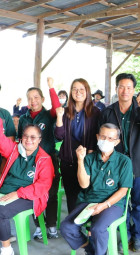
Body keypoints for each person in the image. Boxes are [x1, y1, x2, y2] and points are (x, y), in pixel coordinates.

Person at [60, 123, 133, 255]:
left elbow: (123, 191)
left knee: (98, 228)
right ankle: (91, 250)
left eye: (110, 138)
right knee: (67, 226)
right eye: (103, 137)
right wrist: (80, 160)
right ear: (97, 137)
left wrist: (104, 205)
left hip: (112, 203)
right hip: (88, 201)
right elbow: (84, 184)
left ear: (117, 142)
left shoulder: (124, 161)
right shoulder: (90, 158)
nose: (106, 140)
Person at [99, 73, 140, 252]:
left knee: (138, 201)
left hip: (137, 163)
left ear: (133, 90)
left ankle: (138, 236)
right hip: (115, 165)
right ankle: (126, 236)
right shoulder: (108, 111)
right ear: (116, 89)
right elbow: (102, 136)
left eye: (129, 87)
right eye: (121, 87)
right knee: (121, 202)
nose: (125, 91)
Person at [0, 121, 54, 255]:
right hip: (6, 191)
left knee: (1, 212)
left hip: (29, 196)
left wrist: (18, 193)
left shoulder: (44, 159)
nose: (28, 140)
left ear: (39, 140)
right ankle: (3, 234)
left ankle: (6, 249)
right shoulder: (14, 150)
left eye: (33, 137)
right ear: (21, 137)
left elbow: (43, 186)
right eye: (25, 136)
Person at [18, 77, 61, 240]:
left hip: (49, 160)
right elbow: (20, 140)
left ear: (42, 99)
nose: (33, 101)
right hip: (30, 163)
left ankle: (51, 226)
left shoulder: (48, 115)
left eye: (36, 97)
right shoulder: (23, 119)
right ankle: (38, 226)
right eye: (29, 98)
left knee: (51, 194)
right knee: (33, 194)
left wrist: (51, 87)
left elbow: (57, 108)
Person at [54, 78, 101, 214]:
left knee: (88, 195)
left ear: (87, 92)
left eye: (81, 89)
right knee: (72, 196)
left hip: (89, 160)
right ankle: (73, 228)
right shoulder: (65, 111)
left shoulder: (96, 112)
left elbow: (97, 135)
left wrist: (90, 154)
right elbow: (59, 136)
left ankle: (88, 227)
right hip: (68, 159)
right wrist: (59, 117)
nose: (78, 92)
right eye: (74, 89)